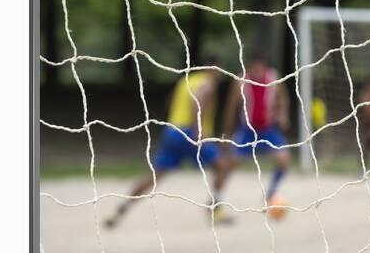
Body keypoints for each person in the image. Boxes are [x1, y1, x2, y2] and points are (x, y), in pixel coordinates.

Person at [105, 60, 231, 228]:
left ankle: (122, 209)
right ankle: (215, 209)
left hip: (173, 131)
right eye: (218, 70)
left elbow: (169, 101)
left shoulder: (185, 80)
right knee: (222, 166)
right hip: (190, 132)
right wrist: (198, 130)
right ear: (211, 68)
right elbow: (197, 103)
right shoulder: (207, 82)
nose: (219, 74)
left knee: (155, 175)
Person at [223, 53, 291, 207]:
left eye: (260, 67)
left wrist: (283, 114)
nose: (257, 71)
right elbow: (231, 108)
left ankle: (270, 195)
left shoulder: (274, 79)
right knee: (229, 163)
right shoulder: (241, 81)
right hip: (247, 130)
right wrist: (227, 133)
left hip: (268, 129)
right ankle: (217, 198)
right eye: (254, 67)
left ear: (265, 67)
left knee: (284, 159)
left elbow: (284, 98)